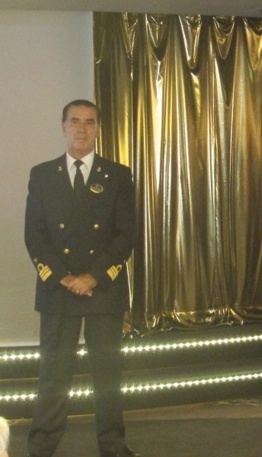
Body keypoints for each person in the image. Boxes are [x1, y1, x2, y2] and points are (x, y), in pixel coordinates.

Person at [24, 100, 138, 457]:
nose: (82, 129)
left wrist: (93, 276)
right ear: (63, 126)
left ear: (98, 129)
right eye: (75, 121)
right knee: (53, 377)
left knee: (107, 376)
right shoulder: (42, 175)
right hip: (59, 290)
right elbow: (35, 235)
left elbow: (126, 234)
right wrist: (63, 277)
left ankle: (114, 447)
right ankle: (41, 448)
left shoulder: (118, 175)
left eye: (90, 122)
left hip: (103, 288)